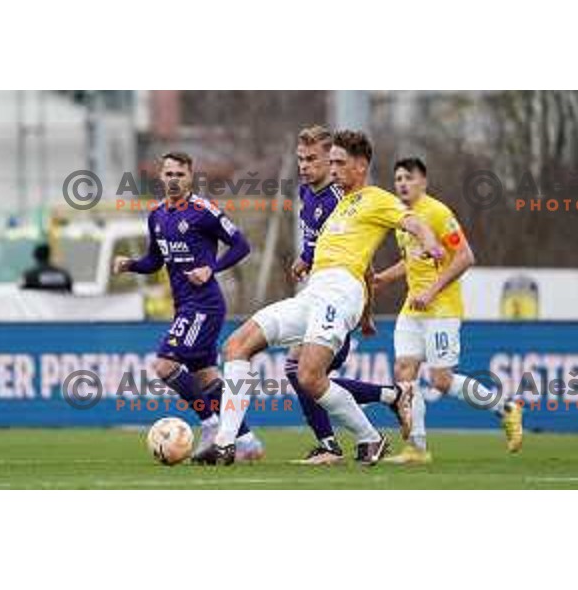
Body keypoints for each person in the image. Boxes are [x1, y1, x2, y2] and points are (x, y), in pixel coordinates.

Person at [197, 130, 444, 466]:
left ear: (360, 166)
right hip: (313, 292)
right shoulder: (338, 204)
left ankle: (369, 437)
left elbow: (412, 221)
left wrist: (430, 242)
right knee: (237, 345)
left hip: (341, 292)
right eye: (331, 162)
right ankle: (226, 444)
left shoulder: (375, 197)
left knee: (308, 375)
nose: (334, 169)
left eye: (340, 163)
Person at [113, 151, 264, 462]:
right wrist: (130, 265)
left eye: (179, 174)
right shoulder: (156, 215)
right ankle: (247, 442)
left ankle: (210, 427)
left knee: (165, 363)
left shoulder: (203, 211)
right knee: (207, 378)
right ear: (161, 176)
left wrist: (213, 268)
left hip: (205, 304)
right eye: (168, 174)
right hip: (184, 305)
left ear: (190, 177)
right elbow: (155, 260)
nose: (173, 180)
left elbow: (241, 245)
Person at [372, 157, 523, 464]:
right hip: (412, 309)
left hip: (441, 308)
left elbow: (465, 257)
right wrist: (384, 279)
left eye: (408, 178)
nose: (402, 183)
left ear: (423, 182)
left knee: (441, 380)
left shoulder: (438, 213)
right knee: (404, 370)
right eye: (398, 178)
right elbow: (412, 260)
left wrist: (431, 291)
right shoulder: (403, 218)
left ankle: (505, 407)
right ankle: (417, 448)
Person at [288, 125, 412, 465]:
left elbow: (363, 264)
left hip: (339, 299)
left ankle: (333, 444)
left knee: (305, 373)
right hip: (319, 293)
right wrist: (305, 257)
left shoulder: (343, 198)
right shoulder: (307, 194)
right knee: (308, 375)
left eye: (314, 159)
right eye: (300, 159)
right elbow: (318, 242)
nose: (305, 166)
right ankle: (391, 396)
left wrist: (367, 314)